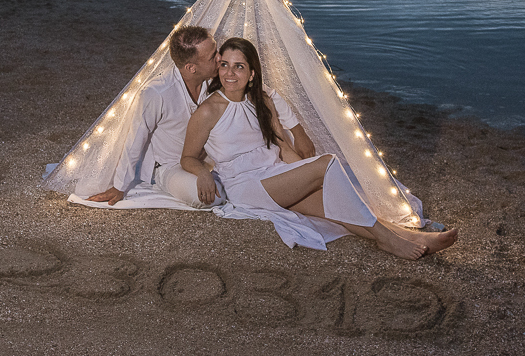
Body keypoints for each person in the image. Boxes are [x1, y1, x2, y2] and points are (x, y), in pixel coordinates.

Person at [181, 37, 457, 259]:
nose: (230, 73)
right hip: (245, 186)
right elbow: (188, 157)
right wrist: (204, 173)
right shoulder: (208, 111)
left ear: (252, 73)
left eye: (239, 66)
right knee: (326, 164)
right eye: (225, 65)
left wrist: (300, 172)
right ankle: (388, 242)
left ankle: (410, 236)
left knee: (335, 204)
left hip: (273, 175)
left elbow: (280, 146)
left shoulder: (262, 101)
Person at [89, 26, 315, 208]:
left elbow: (268, 94)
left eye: (216, 51)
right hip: (171, 165)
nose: (220, 59)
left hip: (213, 162)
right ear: (191, 68)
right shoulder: (156, 93)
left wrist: (298, 132)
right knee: (211, 198)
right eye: (212, 56)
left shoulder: (216, 78)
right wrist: (119, 186)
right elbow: (134, 140)